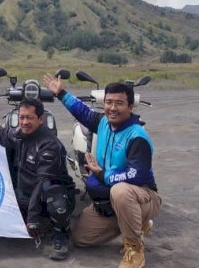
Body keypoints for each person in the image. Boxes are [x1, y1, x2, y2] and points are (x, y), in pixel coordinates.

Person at [43, 75, 161, 268]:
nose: (113, 108)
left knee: (120, 191)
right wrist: (61, 93)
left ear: (130, 107)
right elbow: (82, 111)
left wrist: (102, 174)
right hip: (109, 201)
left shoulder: (137, 136)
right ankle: (135, 223)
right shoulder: (104, 122)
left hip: (142, 195)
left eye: (119, 103)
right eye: (109, 102)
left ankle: (134, 250)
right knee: (81, 239)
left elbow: (136, 175)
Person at [0, 98, 76, 261]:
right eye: (22, 117)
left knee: (55, 198)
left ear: (40, 119)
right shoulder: (19, 136)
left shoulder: (49, 144)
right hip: (25, 193)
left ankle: (61, 234)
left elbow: (42, 181)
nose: (24, 122)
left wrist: (33, 217)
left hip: (47, 194)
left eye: (29, 118)